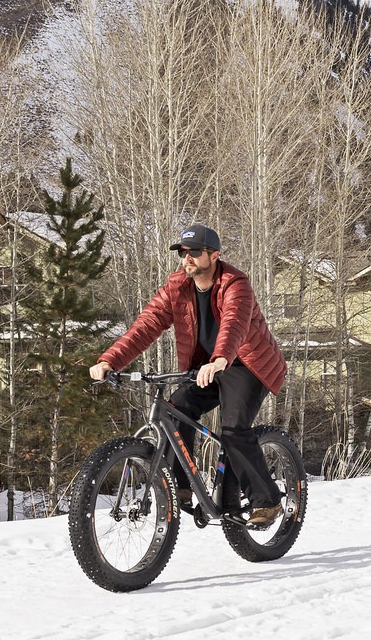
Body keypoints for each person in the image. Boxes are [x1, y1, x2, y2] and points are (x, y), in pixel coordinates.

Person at [90, 224, 288, 526]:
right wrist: (109, 360)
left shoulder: (236, 284)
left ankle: (267, 502)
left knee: (234, 429)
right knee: (176, 410)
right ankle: (179, 488)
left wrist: (221, 358)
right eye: (183, 252)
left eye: (195, 251)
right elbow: (146, 325)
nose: (187, 258)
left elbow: (234, 324)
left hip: (247, 364)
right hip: (206, 366)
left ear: (214, 254)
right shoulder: (177, 287)